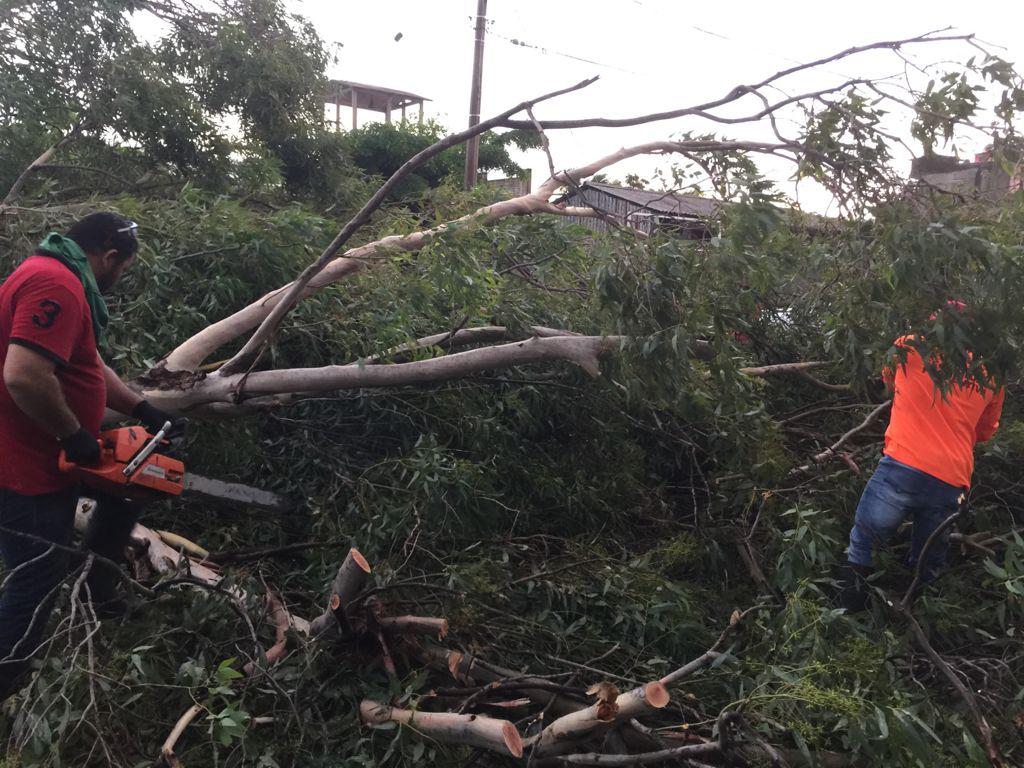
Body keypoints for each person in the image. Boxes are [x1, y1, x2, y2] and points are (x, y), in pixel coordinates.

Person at [0, 212, 181, 699]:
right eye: (121, 267)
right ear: (109, 256)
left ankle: (101, 589)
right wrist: (73, 434)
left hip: (47, 451)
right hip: (25, 465)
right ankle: (6, 680)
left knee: (127, 493)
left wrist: (142, 408)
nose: (119, 277)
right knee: (36, 577)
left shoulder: (61, 276)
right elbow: (23, 375)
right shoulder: (55, 284)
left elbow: (89, 364)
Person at [840, 310, 1004, 611]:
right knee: (928, 561)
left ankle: (848, 616)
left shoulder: (909, 346)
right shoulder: (989, 372)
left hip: (901, 467)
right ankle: (917, 618)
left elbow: (889, 381)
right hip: (951, 478)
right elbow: (985, 431)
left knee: (864, 542)